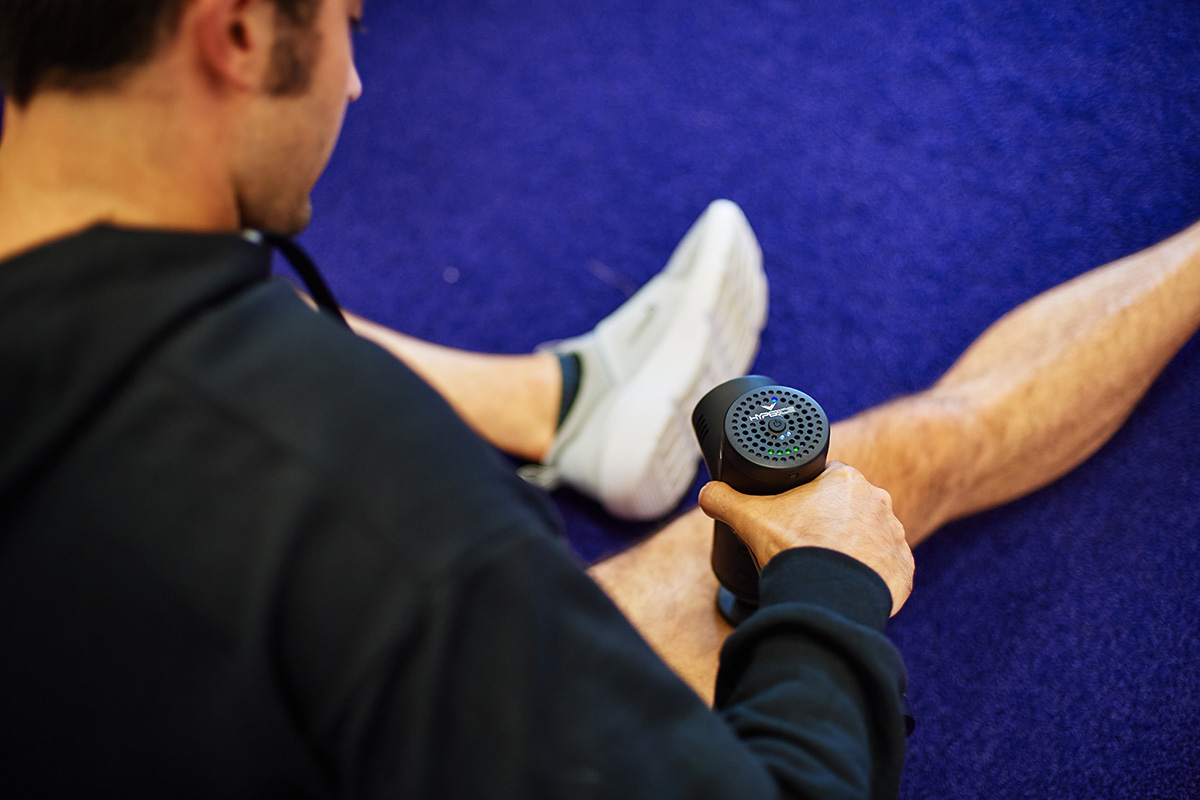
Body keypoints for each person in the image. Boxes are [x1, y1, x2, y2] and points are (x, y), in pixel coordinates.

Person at [0, 2, 1196, 799]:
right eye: (349, 21)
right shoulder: (360, 489)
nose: (361, 82)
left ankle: (564, 401)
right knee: (894, 465)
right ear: (244, 32)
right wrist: (831, 594)